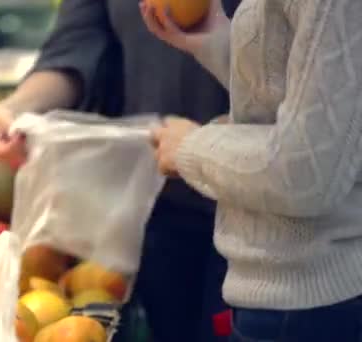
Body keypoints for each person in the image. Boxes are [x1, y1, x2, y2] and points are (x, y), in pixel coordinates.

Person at [0, 0, 241, 341]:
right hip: (154, 206)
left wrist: (206, 147)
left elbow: (290, 85)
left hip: (254, 209)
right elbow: (76, 46)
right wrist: (18, 108)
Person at [141, 0, 362, 341]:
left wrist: (190, 147)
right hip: (291, 300)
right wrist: (215, 41)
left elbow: (306, 174)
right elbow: (312, 91)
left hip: (310, 308)